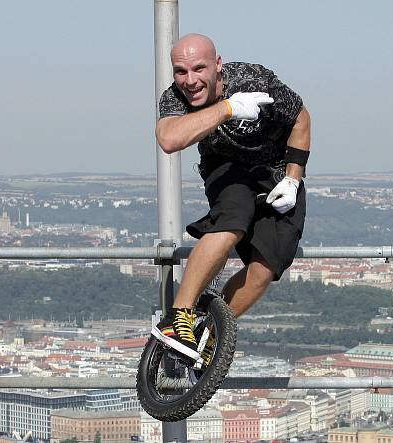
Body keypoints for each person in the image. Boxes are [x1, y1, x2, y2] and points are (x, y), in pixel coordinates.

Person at [152, 33, 311, 362]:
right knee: (232, 219)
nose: (191, 80)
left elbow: (301, 118)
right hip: (226, 166)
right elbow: (169, 138)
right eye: (181, 71)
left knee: (267, 266)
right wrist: (227, 109)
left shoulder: (255, 80)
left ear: (218, 65)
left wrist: (293, 178)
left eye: (199, 69)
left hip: (277, 168)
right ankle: (179, 317)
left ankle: (209, 331)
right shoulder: (176, 97)